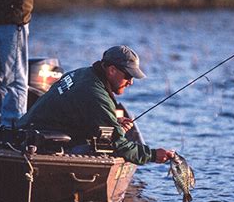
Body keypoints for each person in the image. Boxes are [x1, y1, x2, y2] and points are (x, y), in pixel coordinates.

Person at [17, 45, 174, 165]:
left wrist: (113, 122)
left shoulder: (82, 73)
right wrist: (153, 155)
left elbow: (77, 111)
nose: (131, 82)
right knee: (105, 149)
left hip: (26, 129)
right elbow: (120, 147)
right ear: (112, 70)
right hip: (39, 142)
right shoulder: (95, 94)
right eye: (128, 76)